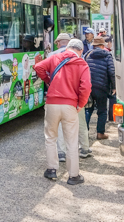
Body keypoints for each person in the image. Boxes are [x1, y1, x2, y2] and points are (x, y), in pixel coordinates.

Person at [34, 38, 92, 185]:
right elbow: (86, 87)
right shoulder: (82, 63)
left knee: (51, 137)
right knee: (71, 141)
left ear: (68, 48)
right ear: (80, 51)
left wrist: (49, 80)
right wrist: (81, 104)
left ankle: (52, 169)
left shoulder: (55, 58)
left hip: (52, 103)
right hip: (70, 105)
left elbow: (39, 67)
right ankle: (73, 176)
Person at [84, 36, 116, 140]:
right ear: (102, 46)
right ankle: (100, 133)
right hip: (102, 88)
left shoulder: (87, 54)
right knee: (102, 111)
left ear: (93, 45)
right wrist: (114, 87)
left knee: (88, 109)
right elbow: (111, 72)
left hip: (89, 87)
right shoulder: (107, 55)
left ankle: (84, 133)